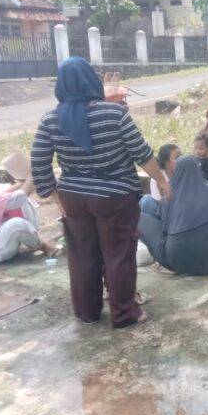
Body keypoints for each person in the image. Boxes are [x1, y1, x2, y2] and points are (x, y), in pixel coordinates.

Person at [31, 57, 171, 329]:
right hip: (115, 198)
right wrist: (161, 181)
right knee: (118, 255)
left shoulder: (50, 120)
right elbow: (141, 152)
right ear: (90, 81)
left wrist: (55, 196)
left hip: (74, 198)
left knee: (83, 256)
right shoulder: (114, 114)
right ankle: (124, 314)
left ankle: (88, 313)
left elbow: (38, 161)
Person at [138, 155, 208, 276]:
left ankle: (166, 263)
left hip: (178, 262)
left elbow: (165, 229)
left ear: (177, 171)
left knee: (140, 220)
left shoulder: (169, 195)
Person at [141, 144, 181, 218]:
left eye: (182, 156)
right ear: (167, 162)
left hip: (180, 214)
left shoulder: (184, 174)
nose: (181, 160)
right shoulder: (157, 178)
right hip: (163, 213)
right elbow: (161, 203)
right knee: (146, 200)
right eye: (177, 158)